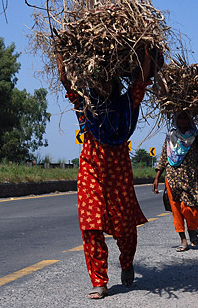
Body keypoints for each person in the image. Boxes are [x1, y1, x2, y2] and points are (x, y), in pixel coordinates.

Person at [57, 48, 152, 300]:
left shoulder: (125, 104)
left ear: (115, 82)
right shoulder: (85, 105)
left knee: (126, 229)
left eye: (108, 80)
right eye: (99, 80)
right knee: (90, 227)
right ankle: (99, 281)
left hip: (118, 171)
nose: (104, 85)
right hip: (91, 170)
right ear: (92, 82)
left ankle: (127, 261)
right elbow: (66, 81)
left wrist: (145, 48)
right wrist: (60, 52)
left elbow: (141, 79)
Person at [153, 110, 198, 252]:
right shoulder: (171, 137)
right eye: (180, 117)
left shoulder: (195, 136)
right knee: (176, 211)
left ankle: (192, 230)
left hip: (190, 180)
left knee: (189, 209)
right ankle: (183, 240)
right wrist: (156, 178)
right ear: (176, 120)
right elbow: (163, 158)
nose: (183, 121)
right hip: (172, 179)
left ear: (190, 120)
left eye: (186, 117)